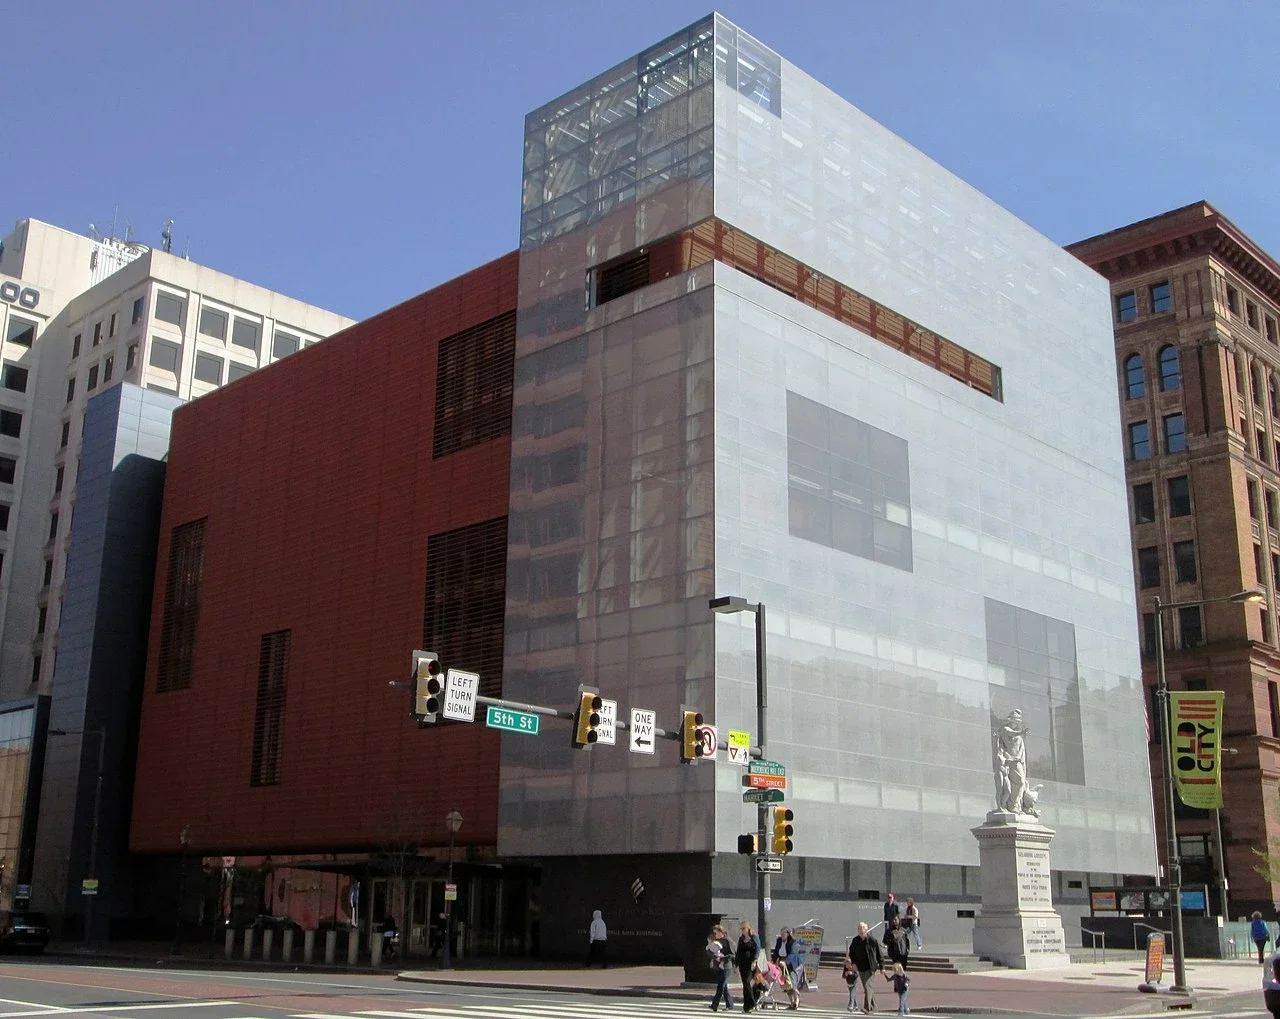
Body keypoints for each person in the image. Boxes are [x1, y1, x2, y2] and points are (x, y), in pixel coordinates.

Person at [994, 709, 1029, 813]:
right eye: (1015, 721)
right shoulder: (1005, 729)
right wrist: (1021, 732)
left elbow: (1021, 749)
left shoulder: (1019, 737)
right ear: (1011, 721)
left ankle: (1015, 805)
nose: (1016, 723)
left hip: (1017, 761)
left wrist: (1019, 758)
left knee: (1021, 782)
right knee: (1017, 782)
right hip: (1009, 761)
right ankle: (1010, 805)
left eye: (1018, 722)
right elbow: (1011, 733)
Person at [848, 921, 883, 1014]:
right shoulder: (855, 941)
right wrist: (854, 963)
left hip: (871, 967)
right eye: (859, 928)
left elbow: (879, 954)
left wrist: (882, 966)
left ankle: (867, 1008)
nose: (860, 930)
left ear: (866, 929)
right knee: (868, 987)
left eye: (862, 928)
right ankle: (874, 1006)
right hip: (861, 967)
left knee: (868, 986)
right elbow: (851, 953)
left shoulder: (872, 940)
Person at [736, 920, 762, 1012]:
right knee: (745, 984)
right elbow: (739, 950)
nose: (742, 930)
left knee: (747, 982)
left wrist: (754, 960)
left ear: (748, 928)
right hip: (742, 964)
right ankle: (746, 1006)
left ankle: (752, 1002)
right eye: (741, 929)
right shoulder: (741, 939)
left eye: (744, 928)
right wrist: (736, 962)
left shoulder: (754, 937)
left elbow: (758, 949)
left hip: (751, 964)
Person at [707, 925, 735, 1012]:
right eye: (714, 933)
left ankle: (714, 1005)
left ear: (721, 932)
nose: (715, 935)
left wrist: (722, 958)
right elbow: (710, 951)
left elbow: (732, 955)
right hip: (718, 966)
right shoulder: (715, 941)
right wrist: (713, 956)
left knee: (721, 986)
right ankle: (730, 1004)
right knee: (724, 986)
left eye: (716, 933)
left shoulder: (727, 941)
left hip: (726, 966)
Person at [772, 927, 801, 1009]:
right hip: (782, 964)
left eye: (783, 934)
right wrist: (773, 960)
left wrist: (785, 961)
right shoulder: (779, 941)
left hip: (793, 964)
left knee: (792, 982)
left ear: (788, 934)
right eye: (781, 934)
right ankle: (791, 1003)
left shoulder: (793, 942)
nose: (782, 935)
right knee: (786, 984)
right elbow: (776, 952)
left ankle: (796, 1000)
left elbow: (792, 954)